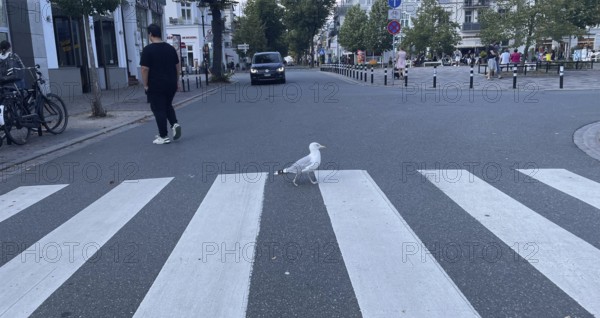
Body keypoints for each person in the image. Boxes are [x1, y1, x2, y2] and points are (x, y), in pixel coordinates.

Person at [140, 24, 182, 145]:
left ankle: (163, 136)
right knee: (167, 105)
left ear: (150, 35)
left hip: (156, 84)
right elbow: (177, 66)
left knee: (158, 109)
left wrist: (145, 84)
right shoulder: (170, 48)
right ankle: (174, 124)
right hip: (171, 84)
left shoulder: (148, 50)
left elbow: (144, 69)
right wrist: (177, 81)